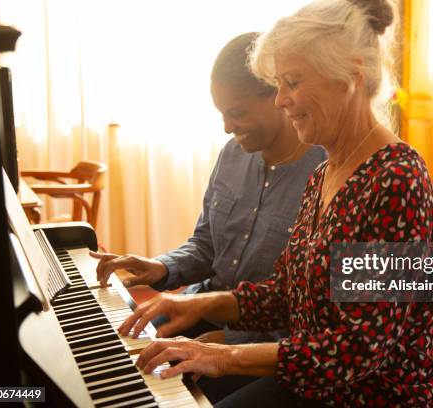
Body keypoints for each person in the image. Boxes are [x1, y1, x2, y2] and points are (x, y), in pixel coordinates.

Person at [119, 1, 433, 406]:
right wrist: (196, 303)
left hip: (373, 395)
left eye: (292, 82)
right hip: (317, 383)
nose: (280, 100)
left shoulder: (397, 179)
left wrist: (223, 356)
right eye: (278, 84)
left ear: (350, 77)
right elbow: (286, 294)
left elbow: (360, 348)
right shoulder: (325, 173)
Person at [91, 32, 326, 402]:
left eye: (236, 113)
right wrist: (161, 268)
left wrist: (229, 347)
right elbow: (207, 245)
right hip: (217, 312)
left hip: (270, 342)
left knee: (150, 390)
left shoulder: (341, 175)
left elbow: (330, 330)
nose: (228, 127)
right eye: (222, 114)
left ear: (278, 97)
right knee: (109, 360)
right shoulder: (233, 155)